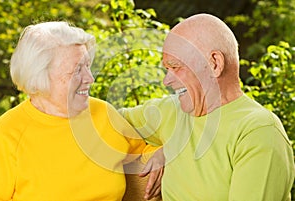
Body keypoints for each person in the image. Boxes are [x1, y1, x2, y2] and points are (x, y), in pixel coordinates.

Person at [120, 13, 295, 200]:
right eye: (166, 69)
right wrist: (166, 149)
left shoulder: (258, 131)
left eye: (176, 66)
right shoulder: (170, 111)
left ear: (214, 64)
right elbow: (98, 119)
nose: (166, 81)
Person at [0, 21, 163, 201]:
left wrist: (163, 153)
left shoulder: (103, 113)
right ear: (39, 78)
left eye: (88, 66)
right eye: (76, 71)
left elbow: (146, 153)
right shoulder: (6, 134)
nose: (90, 78)